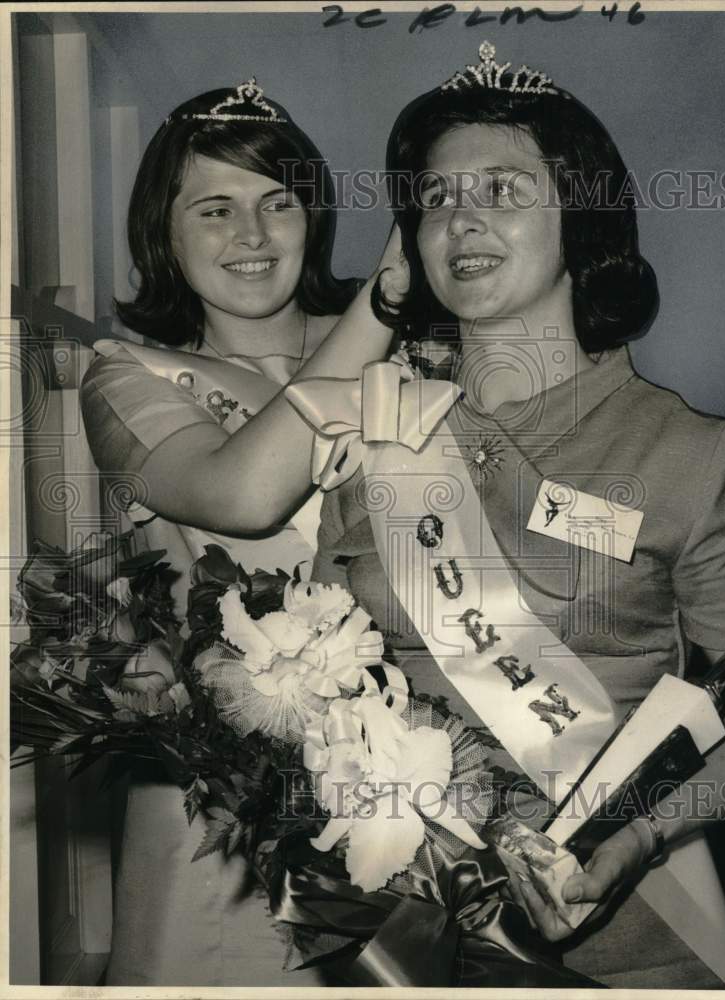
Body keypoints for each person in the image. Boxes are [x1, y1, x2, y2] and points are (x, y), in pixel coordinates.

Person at [310, 44, 725, 989]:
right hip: (390, 937)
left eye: (504, 190)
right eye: (434, 198)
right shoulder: (373, 439)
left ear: (583, 223)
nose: (461, 218)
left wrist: (642, 835)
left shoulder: (692, 455)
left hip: (627, 926)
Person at [80, 79, 404, 986]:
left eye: (278, 203)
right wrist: (377, 309)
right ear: (165, 231)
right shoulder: (130, 375)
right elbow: (242, 493)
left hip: (418, 779)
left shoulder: (423, 354)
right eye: (214, 209)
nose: (253, 238)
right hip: (231, 811)